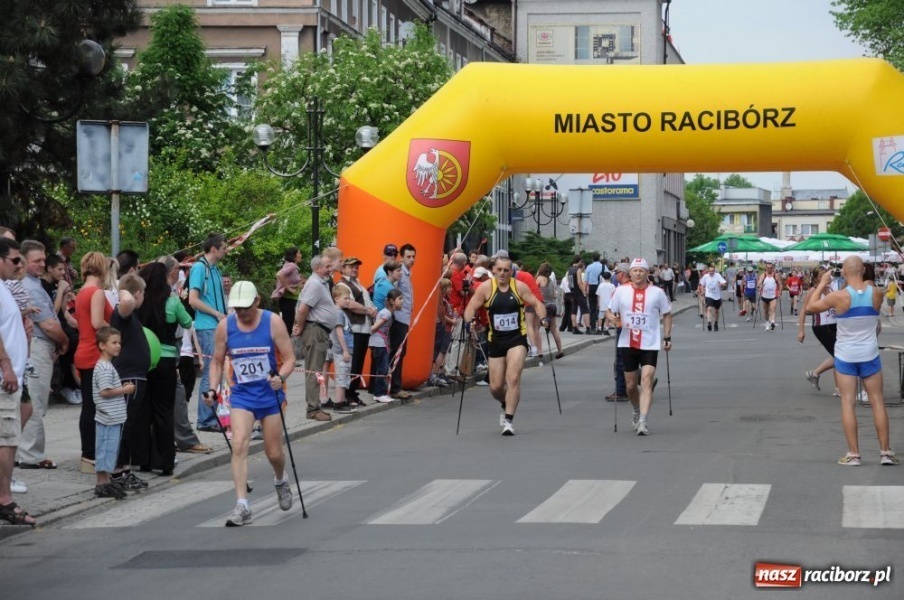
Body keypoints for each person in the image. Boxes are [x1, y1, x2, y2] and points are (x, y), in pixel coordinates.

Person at [203, 281, 296, 526]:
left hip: (270, 394)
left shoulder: (273, 321)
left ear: (256, 301)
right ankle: (242, 506)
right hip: (242, 395)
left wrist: (281, 377)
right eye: (236, 308)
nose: (241, 312)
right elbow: (216, 361)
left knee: (273, 452)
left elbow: (289, 358)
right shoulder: (225, 326)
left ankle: (280, 479)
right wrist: (212, 389)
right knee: (239, 445)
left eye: (245, 307)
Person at [805, 256, 898, 466]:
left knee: (848, 402)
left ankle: (853, 454)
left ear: (844, 273)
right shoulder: (876, 294)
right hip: (870, 354)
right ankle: (885, 452)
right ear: (863, 271)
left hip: (846, 355)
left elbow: (811, 307)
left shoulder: (838, 296)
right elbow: (867, 291)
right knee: (877, 402)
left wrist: (822, 283)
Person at [463, 254, 547, 436]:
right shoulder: (486, 288)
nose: (502, 273)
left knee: (513, 378)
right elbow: (470, 308)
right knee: (495, 387)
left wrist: (544, 317)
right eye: (499, 270)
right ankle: (505, 402)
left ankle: (508, 420)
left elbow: (537, 304)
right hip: (495, 340)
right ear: (493, 270)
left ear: (511, 271)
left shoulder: (519, 287)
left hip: (517, 338)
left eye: (506, 270)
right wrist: (469, 321)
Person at [605, 258, 673, 436]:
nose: (637, 274)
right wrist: (612, 318)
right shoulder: (620, 291)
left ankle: (643, 420)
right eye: (634, 270)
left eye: (641, 271)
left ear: (646, 273)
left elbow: (667, 314)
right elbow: (609, 311)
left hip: (650, 343)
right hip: (628, 342)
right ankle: (636, 409)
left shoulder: (657, 293)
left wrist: (667, 336)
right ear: (630, 273)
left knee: (647, 379)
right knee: (630, 385)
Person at [137, 262, 192, 475]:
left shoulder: (139, 302)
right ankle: (166, 461)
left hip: (143, 360)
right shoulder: (173, 301)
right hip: (167, 360)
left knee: (144, 409)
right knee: (163, 411)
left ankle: (143, 459)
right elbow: (187, 323)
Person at [18, 240, 69, 469]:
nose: (41, 264)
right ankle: (31, 454)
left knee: (34, 400)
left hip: (40, 345)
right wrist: (64, 340)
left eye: (42, 259)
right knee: (36, 401)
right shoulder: (29, 287)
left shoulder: (33, 284)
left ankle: (26, 452)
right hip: (39, 345)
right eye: (36, 260)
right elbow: (48, 324)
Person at [0, 238, 37, 526]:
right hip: (5, 379)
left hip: (12, 376)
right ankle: (4, 499)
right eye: (15, 260)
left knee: (9, 438)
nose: (20, 265)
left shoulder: (4, 289)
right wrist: (6, 366)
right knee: (7, 439)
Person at [74, 252, 114, 474]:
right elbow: (98, 322)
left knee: (88, 406)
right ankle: (90, 455)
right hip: (94, 354)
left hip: (83, 351)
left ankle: (88, 454)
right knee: (94, 407)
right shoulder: (96, 292)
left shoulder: (82, 292)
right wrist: (117, 332)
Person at [188, 233, 228, 432]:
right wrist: (216, 313)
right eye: (223, 247)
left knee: (217, 371)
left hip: (217, 324)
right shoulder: (199, 268)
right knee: (211, 372)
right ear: (213, 249)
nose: (226, 250)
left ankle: (212, 416)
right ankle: (206, 420)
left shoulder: (214, 269)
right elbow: (192, 300)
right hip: (208, 325)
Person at [92, 327, 135, 499]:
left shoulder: (107, 366)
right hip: (108, 416)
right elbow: (104, 391)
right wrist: (124, 390)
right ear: (102, 345)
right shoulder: (104, 368)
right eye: (114, 343)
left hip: (112, 416)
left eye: (119, 343)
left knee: (109, 450)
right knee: (105, 450)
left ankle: (105, 481)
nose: (118, 346)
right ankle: (101, 483)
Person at [294, 256, 334, 422]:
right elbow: (303, 309)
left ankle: (315, 406)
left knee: (315, 370)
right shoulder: (315, 284)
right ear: (317, 268)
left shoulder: (319, 283)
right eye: (327, 266)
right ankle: (313, 409)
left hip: (319, 331)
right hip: (315, 331)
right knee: (314, 371)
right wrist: (300, 327)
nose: (330, 268)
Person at [340, 257, 376, 405]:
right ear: (343, 269)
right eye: (351, 267)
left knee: (359, 362)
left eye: (356, 267)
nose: (354, 269)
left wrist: (372, 310)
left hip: (363, 327)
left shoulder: (357, 283)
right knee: (354, 363)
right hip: (354, 328)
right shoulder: (343, 285)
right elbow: (350, 304)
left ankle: (353, 393)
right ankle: (348, 394)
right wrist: (368, 311)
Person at [799, 266, 837, 394]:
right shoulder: (813, 291)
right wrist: (801, 330)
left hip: (835, 324)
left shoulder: (831, 289)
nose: (826, 278)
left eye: (826, 275)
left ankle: (816, 375)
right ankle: (815, 374)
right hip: (821, 326)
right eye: (821, 276)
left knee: (839, 355)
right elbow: (804, 310)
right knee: (840, 356)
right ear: (816, 279)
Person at [369, 289, 403, 403]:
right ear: (392, 301)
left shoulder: (389, 313)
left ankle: (379, 392)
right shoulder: (387, 313)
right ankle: (379, 393)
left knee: (382, 367)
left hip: (381, 342)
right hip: (379, 342)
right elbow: (374, 328)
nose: (402, 301)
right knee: (382, 368)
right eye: (400, 299)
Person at [605, 263, 631, 402]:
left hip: (623, 326)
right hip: (637, 328)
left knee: (621, 360)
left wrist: (612, 319)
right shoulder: (636, 287)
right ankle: (642, 380)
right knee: (633, 358)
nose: (615, 275)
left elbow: (610, 310)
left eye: (616, 273)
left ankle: (621, 391)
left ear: (621, 274)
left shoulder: (620, 289)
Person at [327, 283, 355, 411]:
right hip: (342, 350)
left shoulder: (341, 312)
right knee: (341, 375)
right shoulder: (338, 313)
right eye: (345, 298)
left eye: (349, 298)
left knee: (345, 375)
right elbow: (339, 333)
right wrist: (345, 350)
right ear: (336, 298)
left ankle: (342, 400)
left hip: (347, 349)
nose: (348, 300)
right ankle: (338, 403)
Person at [271, 247, 304, 335]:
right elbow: (279, 274)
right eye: (299, 253)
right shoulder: (291, 266)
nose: (301, 255)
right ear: (295, 255)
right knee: (288, 325)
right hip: (288, 299)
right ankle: (285, 344)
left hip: (289, 299)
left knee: (288, 323)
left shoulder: (289, 265)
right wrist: (288, 288)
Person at [535, 262, 564, 358]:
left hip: (543, 306)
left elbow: (534, 290)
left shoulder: (539, 278)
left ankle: (538, 350)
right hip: (552, 306)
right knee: (554, 330)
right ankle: (560, 350)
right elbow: (554, 295)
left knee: (536, 328)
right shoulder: (551, 281)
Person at [698, 264, 726, 332]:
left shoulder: (718, 275)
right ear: (708, 271)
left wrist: (722, 285)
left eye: (712, 271)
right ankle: (709, 322)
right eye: (710, 271)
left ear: (714, 270)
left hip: (717, 296)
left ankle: (716, 323)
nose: (711, 272)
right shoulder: (705, 276)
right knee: (709, 308)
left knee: (716, 311)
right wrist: (702, 291)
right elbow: (702, 284)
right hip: (709, 295)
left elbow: (724, 283)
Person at [567, 256, 590, 334]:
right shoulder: (578, 269)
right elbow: (579, 282)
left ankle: (574, 327)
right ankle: (588, 327)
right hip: (578, 291)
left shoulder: (569, 269)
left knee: (574, 310)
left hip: (572, 291)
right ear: (579, 261)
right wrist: (583, 291)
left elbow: (568, 282)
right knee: (585, 309)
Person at [758, 262, 782, 331]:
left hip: (773, 296)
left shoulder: (776, 275)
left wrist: (780, 293)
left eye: (771, 268)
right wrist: (759, 286)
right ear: (766, 268)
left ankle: (772, 322)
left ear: (773, 268)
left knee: (772, 309)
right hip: (764, 296)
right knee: (766, 311)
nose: (769, 269)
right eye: (768, 268)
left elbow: (780, 284)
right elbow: (759, 283)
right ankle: (767, 323)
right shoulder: (763, 275)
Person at [584, 252, 603, 332]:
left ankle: (593, 326)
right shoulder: (603, 266)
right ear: (599, 258)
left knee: (592, 307)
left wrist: (585, 289)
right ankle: (601, 326)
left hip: (592, 287)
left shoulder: (589, 267)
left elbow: (586, 280)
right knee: (601, 306)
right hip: (601, 286)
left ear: (592, 258)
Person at [595, 271, 616, 335]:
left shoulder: (600, 285)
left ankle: (599, 328)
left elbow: (598, 295)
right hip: (609, 303)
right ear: (610, 277)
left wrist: (598, 303)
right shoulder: (612, 286)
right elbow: (614, 295)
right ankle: (606, 329)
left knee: (600, 317)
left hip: (602, 302)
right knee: (607, 317)